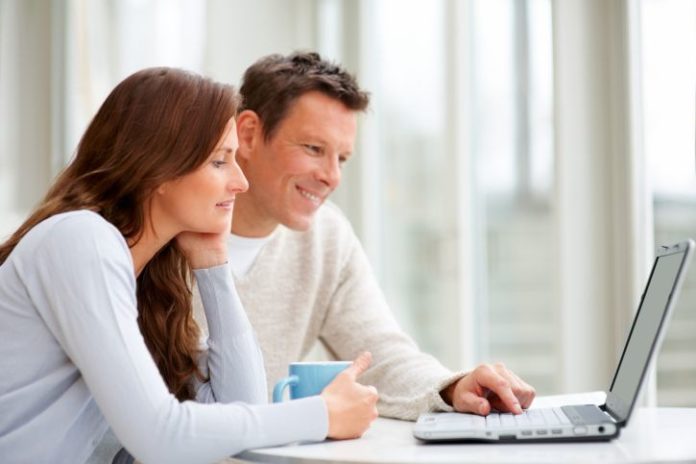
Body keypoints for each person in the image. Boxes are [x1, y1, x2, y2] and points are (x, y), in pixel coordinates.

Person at [0, 67, 378, 464]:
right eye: (220, 161)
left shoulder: (144, 275)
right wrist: (320, 414)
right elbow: (161, 437)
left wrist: (214, 266)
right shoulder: (80, 240)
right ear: (158, 168)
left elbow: (241, 409)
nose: (240, 182)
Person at [197, 51, 536, 421]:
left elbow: (382, 355)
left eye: (341, 158)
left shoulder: (327, 236)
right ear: (248, 134)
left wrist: (453, 387)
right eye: (314, 149)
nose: (331, 177)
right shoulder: (168, 230)